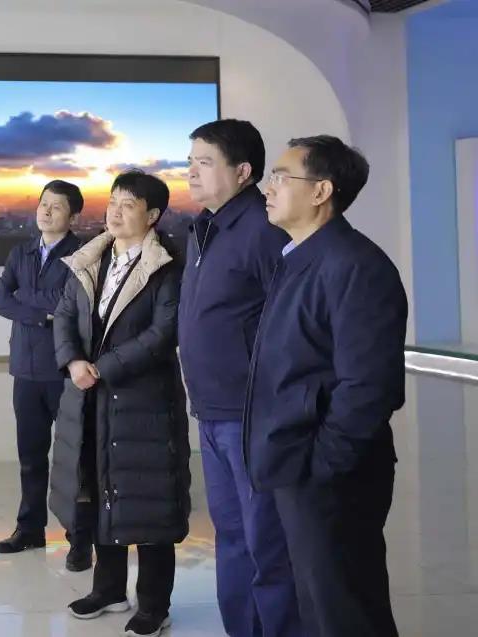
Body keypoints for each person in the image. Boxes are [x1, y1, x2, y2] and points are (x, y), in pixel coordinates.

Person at [248, 136, 406, 636]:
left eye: (281, 177)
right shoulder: (301, 257)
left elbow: (369, 387)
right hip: (299, 462)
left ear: (321, 191)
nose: (269, 188)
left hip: (330, 474)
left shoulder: (354, 266)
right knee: (319, 604)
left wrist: (324, 466)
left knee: (345, 611)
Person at [50, 171, 190, 637]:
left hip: (142, 403)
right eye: (113, 201)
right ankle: (108, 589)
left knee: (148, 499)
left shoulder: (166, 265)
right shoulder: (91, 258)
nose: (115, 211)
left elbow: (163, 333)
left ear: (152, 215)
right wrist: (73, 361)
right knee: (97, 491)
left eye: (128, 204)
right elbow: (64, 315)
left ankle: (154, 604)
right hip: (89, 397)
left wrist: (102, 368)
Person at [177, 119, 303, 637]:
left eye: (204, 162)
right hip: (211, 410)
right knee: (231, 537)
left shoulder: (263, 230)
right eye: (190, 161)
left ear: (243, 171)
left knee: (266, 544)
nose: (191, 172)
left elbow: (291, 325)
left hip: (252, 415)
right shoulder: (204, 227)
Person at [0, 180, 93, 571]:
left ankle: (78, 538)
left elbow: (69, 303)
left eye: (57, 206)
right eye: (43, 204)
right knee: (31, 456)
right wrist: (41, 314)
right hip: (26, 369)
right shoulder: (22, 252)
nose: (47, 212)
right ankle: (30, 529)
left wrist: (27, 298)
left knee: (73, 459)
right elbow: (1, 299)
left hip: (65, 370)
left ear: (73, 216)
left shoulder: (81, 255)